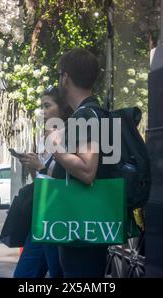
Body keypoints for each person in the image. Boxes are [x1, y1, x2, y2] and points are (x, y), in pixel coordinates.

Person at [50, 48, 113, 277]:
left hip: (80, 227)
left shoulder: (85, 116)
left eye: (60, 75)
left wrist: (56, 149)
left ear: (66, 77)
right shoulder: (97, 113)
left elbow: (87, 171)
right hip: (91, 222)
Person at [13, 87, 71, 278]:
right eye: (41, 106)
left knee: (57, 272)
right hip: (41, 216)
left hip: (57, 218)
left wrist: (40, 166)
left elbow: (69, 179)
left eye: (47, 106)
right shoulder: (46, 137)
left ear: (62, 108)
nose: (43, 111)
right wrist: (32, 164)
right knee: (23, 274)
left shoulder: (70, 137)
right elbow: (42, 176)